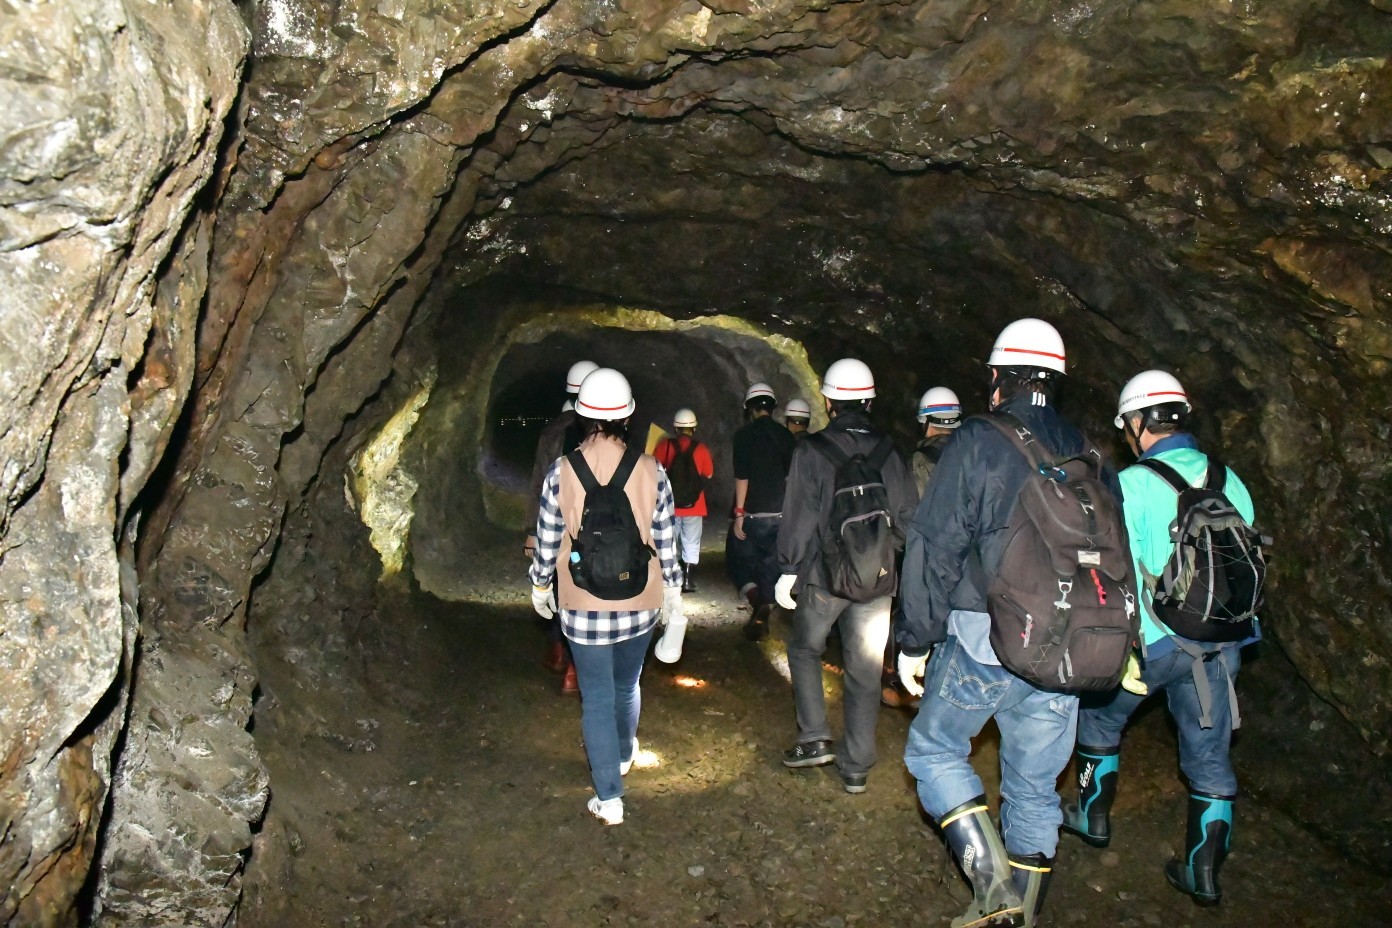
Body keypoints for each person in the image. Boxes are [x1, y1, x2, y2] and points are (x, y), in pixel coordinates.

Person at [896, 319, 1120, 928]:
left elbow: (935, 544)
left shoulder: (979, 439)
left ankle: (993, 890)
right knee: (1035, 789)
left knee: (935, 751)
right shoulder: (1092, 453)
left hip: (985, 639)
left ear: (999, 380)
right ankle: (1022, 917)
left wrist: (914, 639)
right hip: (1066, 651)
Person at [1061, 370, 1259, 908]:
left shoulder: (1132, 483)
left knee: (1100, 718)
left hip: (1153, 646)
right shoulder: (1231, 480)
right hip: (1221, 645)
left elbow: (1114, 570)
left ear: (1139, 422)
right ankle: (1202, 871)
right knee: (1211, 756)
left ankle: (1091, 817)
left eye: (1128, 422)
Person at [528, 367, 682, 826]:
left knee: (595, 696)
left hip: (582, 603)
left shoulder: (561, 472)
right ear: (629, 418)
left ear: (580, 415)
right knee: (627, 684)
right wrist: (672, 595)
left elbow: (548, 536)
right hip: (640, 602)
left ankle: (609, 798)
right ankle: (620, 754)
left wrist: (539, 584)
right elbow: (668, 540)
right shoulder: (654, 469)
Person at [773, 359, 917, 794]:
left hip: (824, 576)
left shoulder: (811, 450)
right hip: (876, 579)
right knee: (865, 670)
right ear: (869, 400)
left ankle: (814, 736)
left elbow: (798, 515)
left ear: (829, 400)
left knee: (804, 650)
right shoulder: (891, 451)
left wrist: (787, 568)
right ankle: (857, 765)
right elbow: (908, 521)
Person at [881, 386, 964, 710]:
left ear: (925, 421)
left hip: (929, 556)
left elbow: (910, 515)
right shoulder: (974, 456)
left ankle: (900, 682)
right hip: (967, 562)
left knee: (906, 615)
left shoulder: (917, 460)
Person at [526, 359, 599, 694]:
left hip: (558, 528)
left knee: (558, 591)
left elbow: (539, 483)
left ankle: (558, 652)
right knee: (586, 594)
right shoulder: (606, 437)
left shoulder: (552, 432)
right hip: (595, 531)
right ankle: (573, 667)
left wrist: (533, 530)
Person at [728, 382, 796, 641]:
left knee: (740, 559)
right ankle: (765, 603)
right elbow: (791, 478)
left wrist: (739, 513)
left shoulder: (743, 436)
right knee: (770, 563)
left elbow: (742, 477)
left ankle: (758, 603)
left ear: (750, 408)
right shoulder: (786, 436)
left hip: (754, 514)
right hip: (780, 514)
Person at [653, 408, 714, 593]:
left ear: (675, 428)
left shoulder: (665, 446)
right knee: (691, 541)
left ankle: (671, 578)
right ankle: (688, 579)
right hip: (695, 506)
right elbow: (709, 474)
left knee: (671, 540)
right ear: (694, 429)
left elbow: (653, 470)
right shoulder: (701, 449)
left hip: (670, 505)